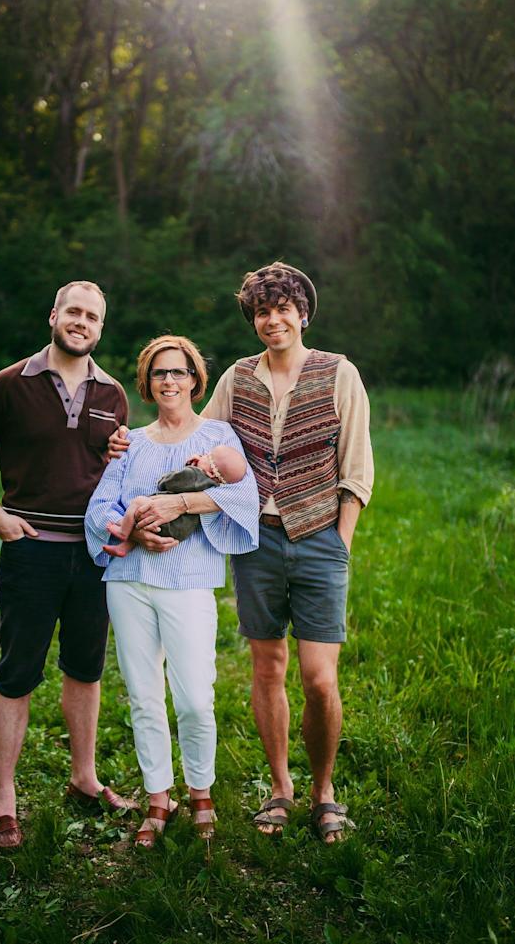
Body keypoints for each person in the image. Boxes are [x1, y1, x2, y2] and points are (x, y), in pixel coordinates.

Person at [108, 262, 374, 843]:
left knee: (320, 678)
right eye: (261, 312)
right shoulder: (236, 377)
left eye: (282, 309)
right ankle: (280, 789)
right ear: (253, 320)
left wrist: (339, 540)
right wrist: (127, 442)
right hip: (256, 541)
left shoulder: (338, 374)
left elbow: (356, 468)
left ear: (303, 314)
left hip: (320, 535)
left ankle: (324, 791)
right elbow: (199, 434)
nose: (272, 320)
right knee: (267, 666)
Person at [0, 280, 137, 849]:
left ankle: (84, 778)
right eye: (74, 312)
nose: (82, 322)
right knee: (17, 672)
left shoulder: (113, 394)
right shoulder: (10, 384)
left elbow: (116, 473)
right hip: (30, 549)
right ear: (54, 315)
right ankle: (4, 798)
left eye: (93, 317)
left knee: (86, 669)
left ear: (101, 328)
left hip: (92, 555)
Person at [85, 335, 259, 848]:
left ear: (194, 379)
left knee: (194, 699)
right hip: (130, 583)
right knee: (143, 697)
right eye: (159, 373)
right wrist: (130, 529)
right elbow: (98, 508)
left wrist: (180, 507)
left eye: (178, 372)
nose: (169, 381)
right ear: (147, 382)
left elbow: (244, 496)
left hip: (188, 583)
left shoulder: (218, 437)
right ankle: (158, 796)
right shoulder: (130, 441)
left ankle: (200, 791)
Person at [103, 443, 248, 556]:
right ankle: (124, 548)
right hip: (181, 530)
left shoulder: (195, 475)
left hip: (167, 521)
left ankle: (123, 530)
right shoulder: (215, 488)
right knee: (146, 525)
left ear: (210, 471)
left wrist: (187, 467)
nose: (202, 455)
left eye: (207, 456)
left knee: (138, 502)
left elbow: (166, 483)